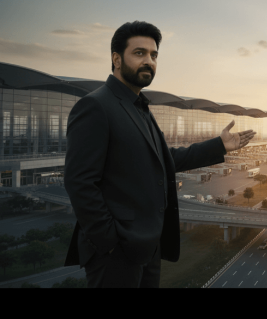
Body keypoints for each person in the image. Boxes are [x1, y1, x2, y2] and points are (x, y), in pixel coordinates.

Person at [64, 21, 255, 287]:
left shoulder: (141, 107)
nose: (149, 61)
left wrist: (219, 146)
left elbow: (166, 159)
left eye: (154, 55)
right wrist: (109, 242)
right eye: (139, 53)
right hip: (117, 252)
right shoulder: (95, 106)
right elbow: (79, 182)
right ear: (116, 59)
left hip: (148, 247)